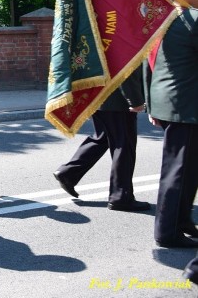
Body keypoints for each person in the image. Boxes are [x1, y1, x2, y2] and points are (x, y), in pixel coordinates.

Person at [145, 0, 198, 248]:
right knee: (178, 171)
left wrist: (151, 105)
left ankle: (182, 221)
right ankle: (167, 232)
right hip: (188, 107)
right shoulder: (194, 19)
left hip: (172, 105)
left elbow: (147, 63)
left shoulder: (163, 19)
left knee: (188, 170)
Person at [52, 68, 149, 211]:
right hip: (117, 100)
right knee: (123, 146)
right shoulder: (120, 43)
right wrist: (135, 100)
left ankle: (68, 173)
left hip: (99, 95)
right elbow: (126, 69)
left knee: (102, 138)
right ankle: (121, 196)